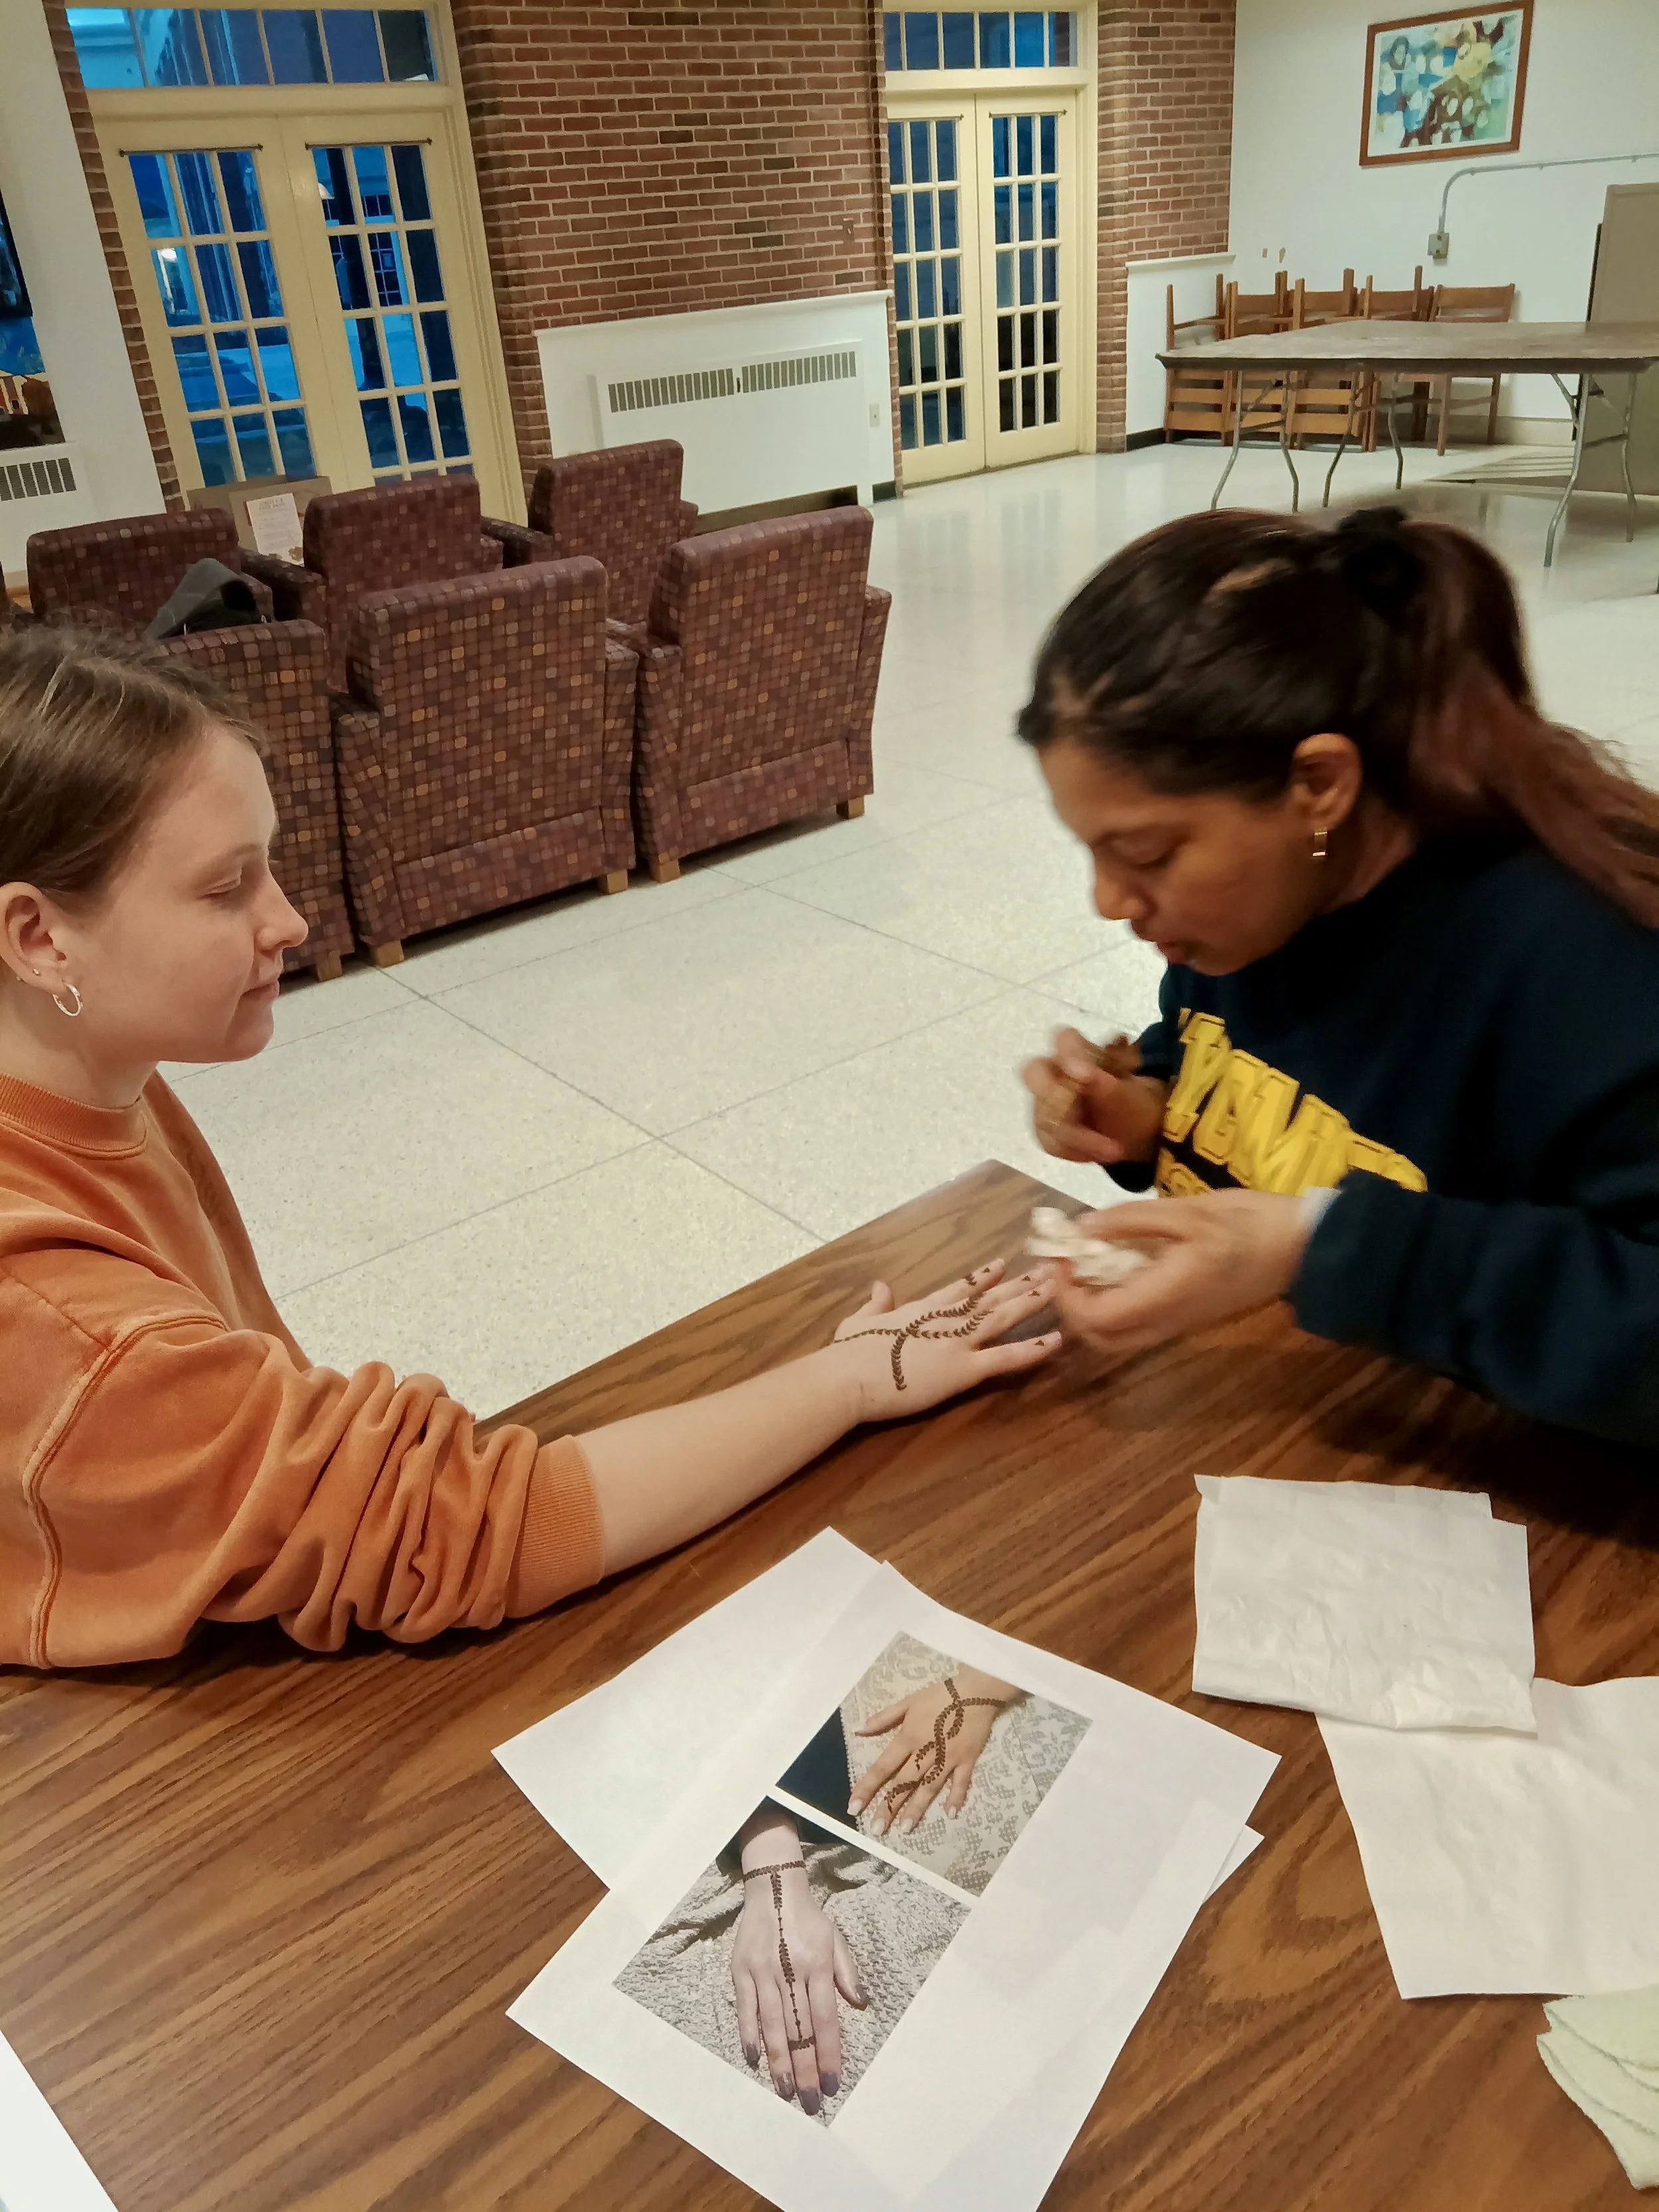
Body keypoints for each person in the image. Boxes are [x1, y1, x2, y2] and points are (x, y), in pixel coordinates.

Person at [0, 627, 1060, 1671]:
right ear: (40, 938)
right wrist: (851, 1379)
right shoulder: (62, 1325)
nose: (287, 919)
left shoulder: (95, 1075)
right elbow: (471, 1532)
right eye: (227, 888)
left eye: (270, 866)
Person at [1019, 505, 1659, 1451]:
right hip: (1318, 1422)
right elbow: (1235, 1077)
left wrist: (1320, 1246)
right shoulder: (1254, 917)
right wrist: (1149, 1113)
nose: (1110, 901)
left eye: (1147, 853)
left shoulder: (1584, 965)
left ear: (1318, 786)